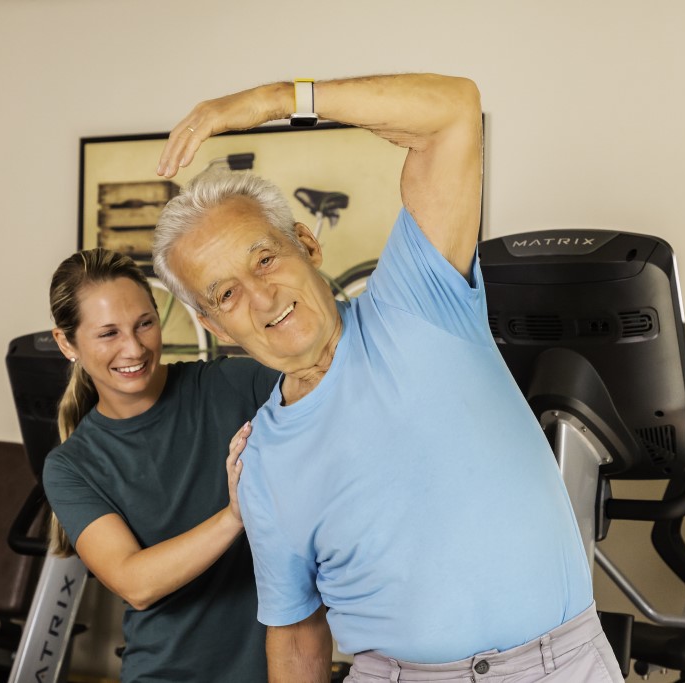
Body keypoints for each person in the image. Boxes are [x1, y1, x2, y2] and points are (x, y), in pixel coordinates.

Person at [152, 74, 623, 682]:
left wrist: (269, 102)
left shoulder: (418, 301)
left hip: (561, 666)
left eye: (264, 258)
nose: (263, 297)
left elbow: (452, 114)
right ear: (214, 325)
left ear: (306, 244)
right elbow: (296, 639)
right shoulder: (261, 463)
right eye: (226, 293)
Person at [41, 247, 278, 682]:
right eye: (108, 333)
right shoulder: (71, 466)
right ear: (66, 343)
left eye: (144, 323)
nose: (134, 348)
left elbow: (334, 388)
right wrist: (234, 515)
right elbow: (136, 583)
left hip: (280, 668)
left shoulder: (233, 386)